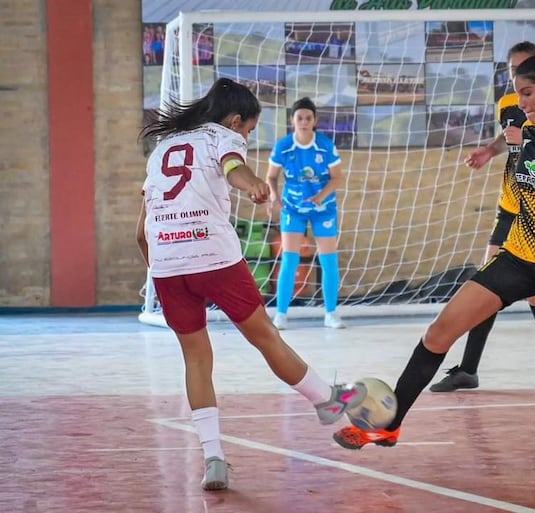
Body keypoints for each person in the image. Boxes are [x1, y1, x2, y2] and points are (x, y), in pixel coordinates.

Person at [332, 55, 535, 466]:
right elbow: (511, 138)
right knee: (439, 332)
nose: (520, 102)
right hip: (518, 257)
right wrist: (488, 151)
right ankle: (389, 424)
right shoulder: (531, 129)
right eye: (518, 93)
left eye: (528, 93)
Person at [136, 78, 365, 491]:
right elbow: (231, 167)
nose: (245, 137)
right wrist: (254, 184)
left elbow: (140, 233)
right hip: (212, 255)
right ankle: (326, 402)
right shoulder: (224, 136)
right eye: (249, 131)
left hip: (167, 263)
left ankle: (213, 459)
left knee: (196, 360)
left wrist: (166, 270)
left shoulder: (162, 150)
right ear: (237, 120)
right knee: (266, 339)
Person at [429, 41, 535, 393]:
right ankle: (468, 369)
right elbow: (507, 137)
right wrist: (490, 150)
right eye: (513, 69)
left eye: (525, 67)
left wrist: (524, 139)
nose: (518, 75)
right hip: (510, 203)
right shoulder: (508, 103)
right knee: (488, 283)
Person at [267, 97, 346, 330]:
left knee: (328, 260)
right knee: (290, 259)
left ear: (315, 121)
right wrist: (274, 195)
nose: (303, 122)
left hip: (323, 209)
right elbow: (271, 176)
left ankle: (331, 313)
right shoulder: (283, 146)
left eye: (308, 118)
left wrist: (321, 196)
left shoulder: (325, 145)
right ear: (292, 120)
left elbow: (337, 177)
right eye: (299, 117)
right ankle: (281, 314)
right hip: (293, 208)